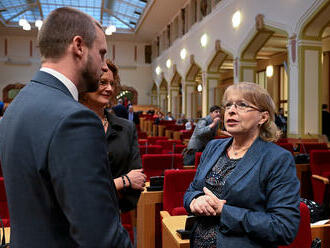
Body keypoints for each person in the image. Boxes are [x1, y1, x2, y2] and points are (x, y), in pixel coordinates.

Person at [0, 7, 132, 247]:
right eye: (101, 53)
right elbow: (101, 238)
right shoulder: (76, 120)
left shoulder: (15, 107)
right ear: (79, 46)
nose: (104, 66)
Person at [184, 82, 300, 248]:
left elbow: (283, 227)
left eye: (242, 105)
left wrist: (224, 212)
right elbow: (191, 190)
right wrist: (195, 200)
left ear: (263, 117)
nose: (231, 110)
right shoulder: (212, 147)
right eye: (229, 104)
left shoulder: (277, 159)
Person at [80, 60, 146, 212]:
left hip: (116, 214)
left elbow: (137, 180)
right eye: (102, 82)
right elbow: (74, 188)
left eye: (112, 83)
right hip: (75, 221)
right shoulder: (69, 126)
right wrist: (123, 181)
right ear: (85, 84)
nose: (109, 88)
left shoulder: (126, 128)